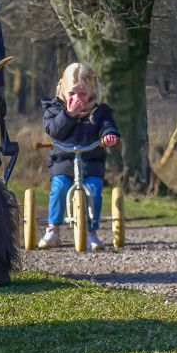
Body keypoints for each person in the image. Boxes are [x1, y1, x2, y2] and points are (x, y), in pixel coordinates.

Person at [37, 63, 120, 251]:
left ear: (92, 92)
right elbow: (54, 130)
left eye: (83, 94)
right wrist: (69, 115)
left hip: (91, 161)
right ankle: (53, 229)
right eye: (72, 94)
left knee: (94, 190)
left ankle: (91, 232)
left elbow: (108, 125)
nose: (77, 99)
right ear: (63, 90)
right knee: (59, 188)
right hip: (63, 160)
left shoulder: (100, 111)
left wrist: (109, 135)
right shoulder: (54, 108)